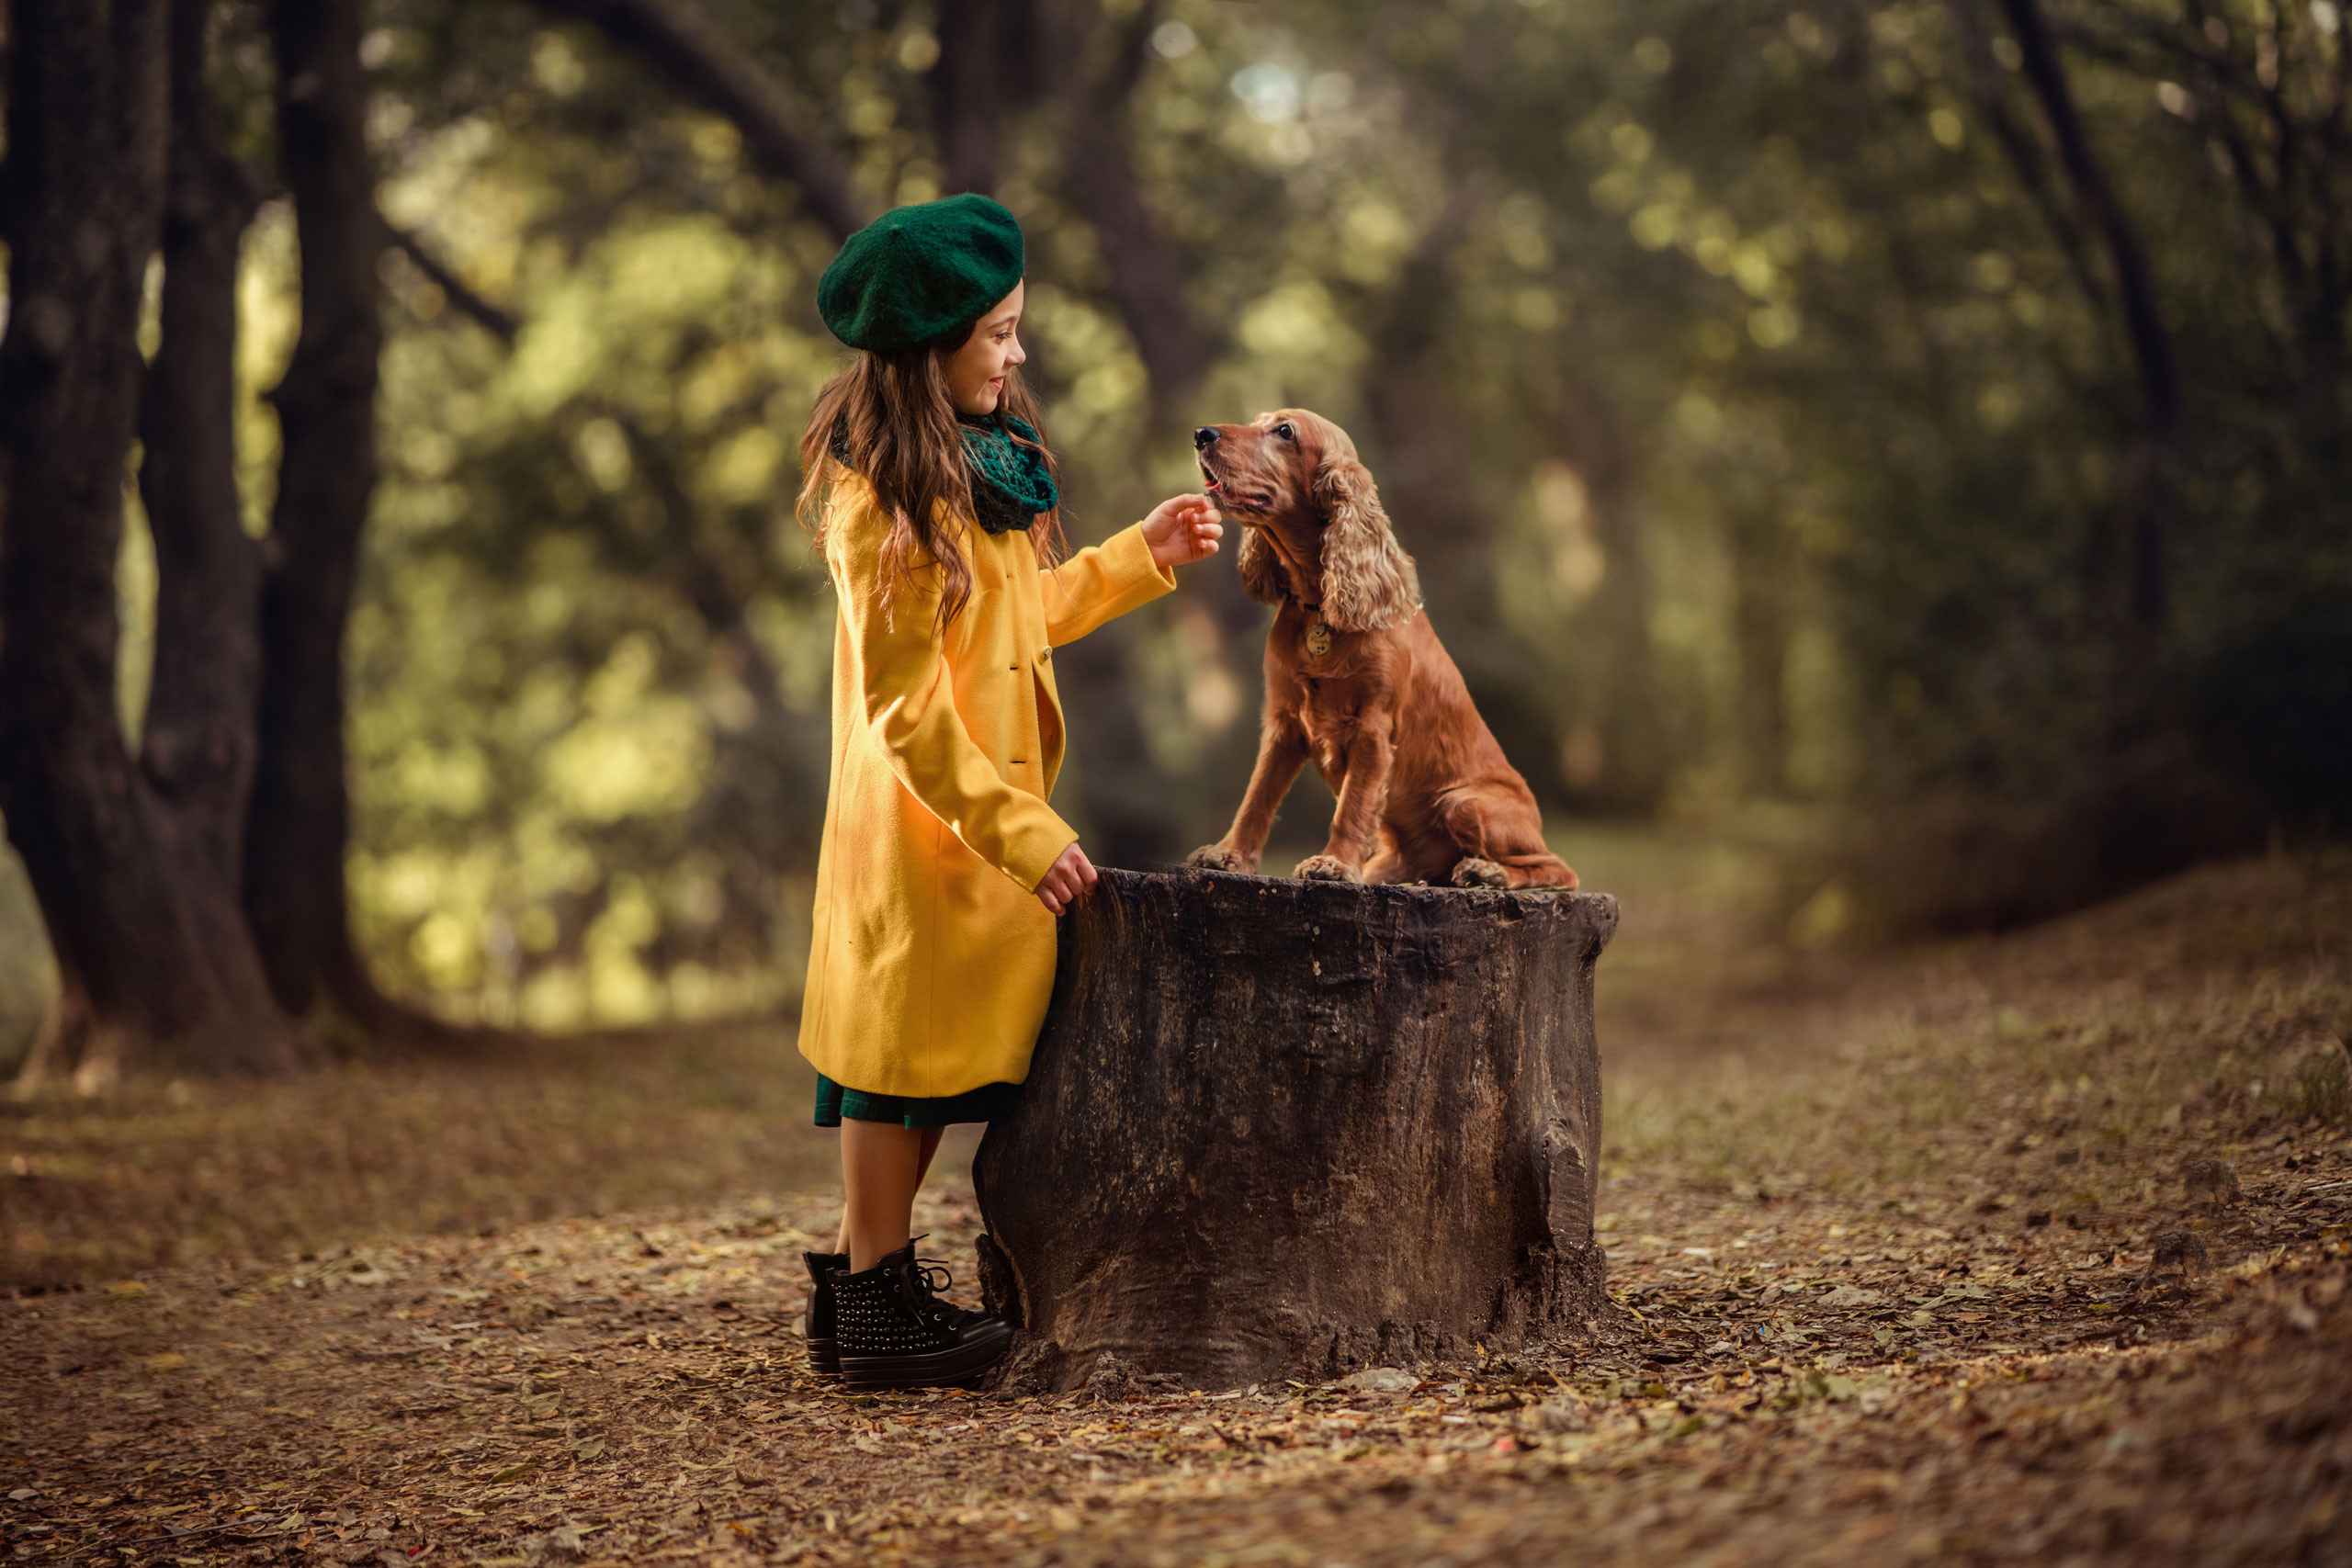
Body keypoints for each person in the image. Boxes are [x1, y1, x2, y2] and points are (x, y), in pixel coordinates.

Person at [791, 194, 1223, 1392]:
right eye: (997, 334)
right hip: (930, 832)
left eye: (1017, 327)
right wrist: (1018, 831)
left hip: (976, 833)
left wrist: (1140, 557)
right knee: (895, 1069)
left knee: (930, 1062)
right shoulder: (884, 504)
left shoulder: (979, 472)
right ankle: (871, 1295)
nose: (1017, 353)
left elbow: (1019, 622)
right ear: (932, 355)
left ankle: (862, 1300)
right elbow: (905, 712)